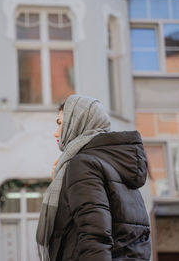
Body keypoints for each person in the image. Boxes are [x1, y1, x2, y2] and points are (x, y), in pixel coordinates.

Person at [36, 95, 151, 261]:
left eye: (61, 124)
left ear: (78, 123)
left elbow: (94, 235)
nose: (56, 133)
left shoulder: (83, 164)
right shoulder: (118, 164)